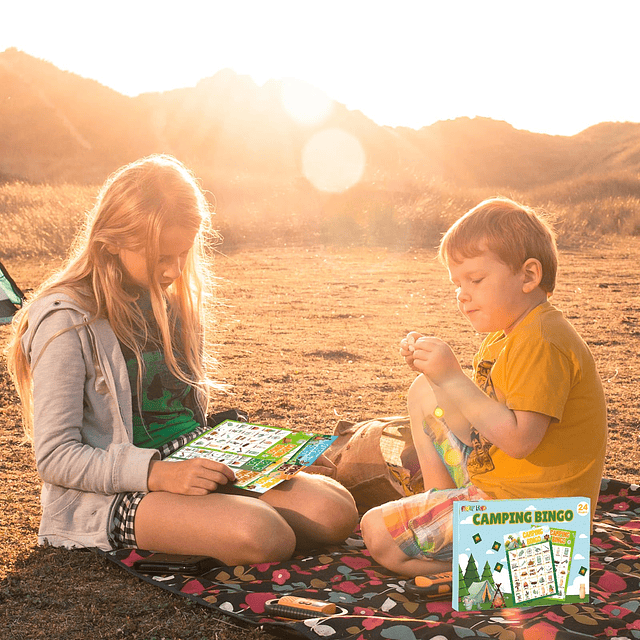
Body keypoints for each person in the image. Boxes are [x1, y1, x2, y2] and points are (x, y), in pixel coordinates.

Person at [7, 154, 358, 564]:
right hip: (118, 489)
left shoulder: (171, 304)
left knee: (336, 512)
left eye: (182, 254)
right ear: (112, 242)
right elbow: (56, 457)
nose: (174, 270)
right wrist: (158, 474)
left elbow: (183, 413)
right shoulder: (65, 321)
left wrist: (264, 453)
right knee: (264, 535)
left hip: (195, 454)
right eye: (161, 257)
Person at [360, 197, 607, 576]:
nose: (462, 293)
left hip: (539, 519)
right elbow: (478, 428)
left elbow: (519, 441)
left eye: (475, 280)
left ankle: (491, 571)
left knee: (376, 532)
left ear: (528, 276)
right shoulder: (505, 335)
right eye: (456, 283)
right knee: (424, 392)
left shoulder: (542, 339)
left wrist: (455, 379)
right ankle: (440, 503)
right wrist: (440, 379)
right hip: (501, 485)